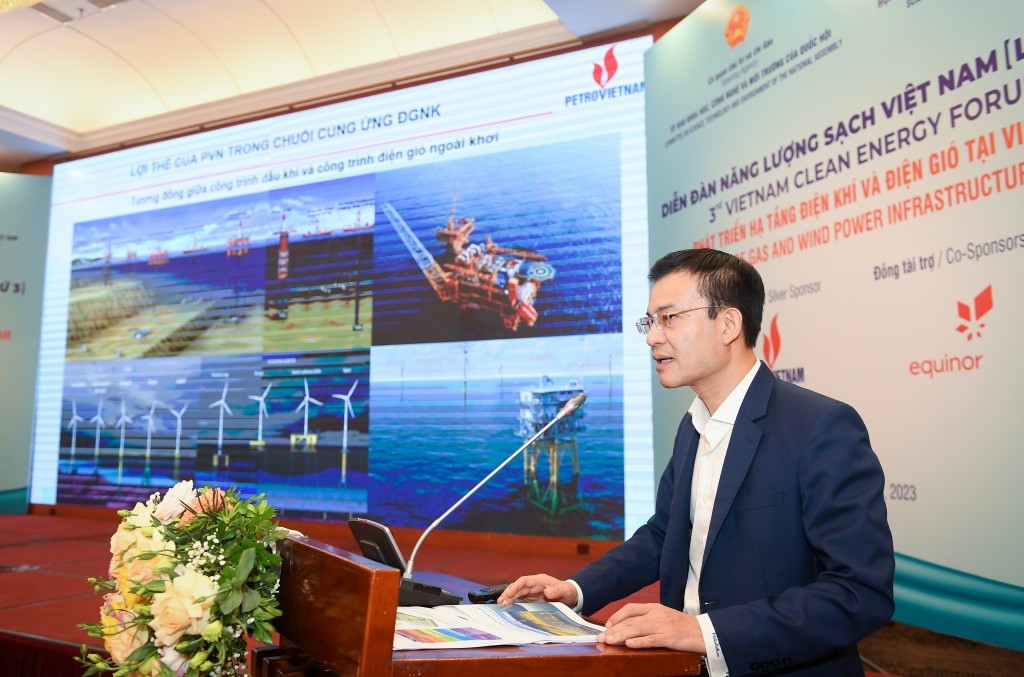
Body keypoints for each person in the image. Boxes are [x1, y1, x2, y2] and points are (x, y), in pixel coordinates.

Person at [499, 249, 895, 676]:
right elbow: (665, 535)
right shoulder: (693, 425)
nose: (652, 337)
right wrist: (574, 590)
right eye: (650, 322)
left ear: (728, 324)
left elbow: (860, 592)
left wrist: (707, 633)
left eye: (669, 318)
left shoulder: (820, 427)